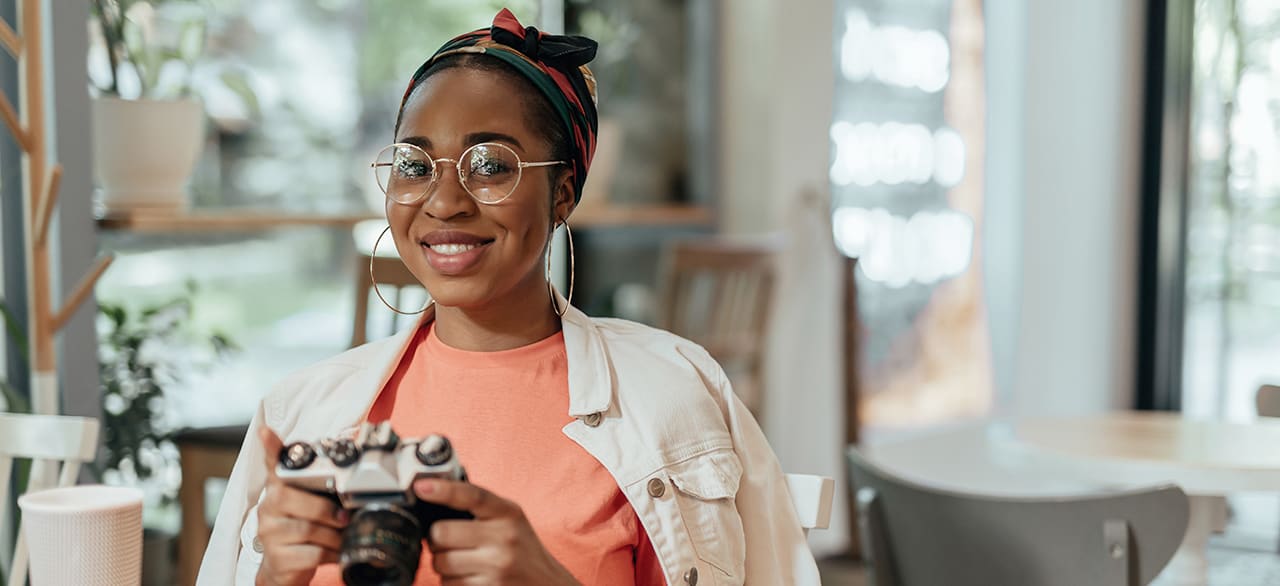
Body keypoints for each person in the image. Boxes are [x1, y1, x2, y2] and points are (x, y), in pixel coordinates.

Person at [199, 9, 818, 586]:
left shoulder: (675, 395)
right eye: (416, 165)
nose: (444, 201)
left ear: (563, 192)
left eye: (491, 164)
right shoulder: (297, 412)